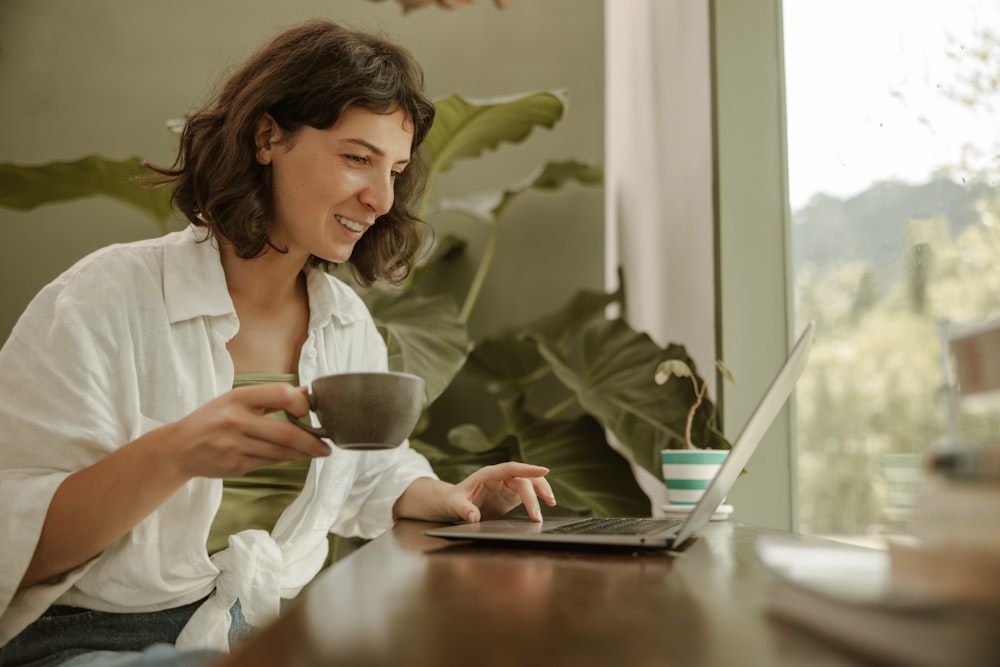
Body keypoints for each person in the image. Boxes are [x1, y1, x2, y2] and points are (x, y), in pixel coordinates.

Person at [0, 19, 556, 667]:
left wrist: (444, 495)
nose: (380, 198)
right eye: (357, 157)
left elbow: (368, 473)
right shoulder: (103, 298)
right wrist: (175, 453)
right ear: (269, 136)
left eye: (395, 170)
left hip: (255, 638)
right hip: (85, 643)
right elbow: (19, 539)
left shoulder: (344, 322)